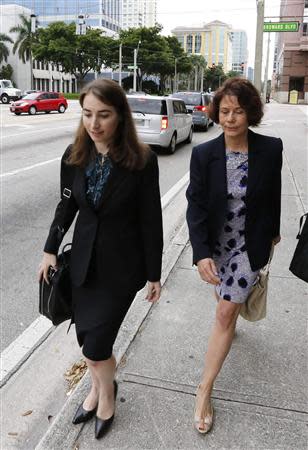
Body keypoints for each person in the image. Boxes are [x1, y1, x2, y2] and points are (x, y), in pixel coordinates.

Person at [38, 79, 163, 440]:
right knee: (86, 339)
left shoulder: (142, 161)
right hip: (83, 266)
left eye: (104, 115)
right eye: (88, 114)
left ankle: (106, 394)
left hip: (121, 271)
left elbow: (150, 220)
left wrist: (153, 274)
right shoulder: (75, 155)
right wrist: (50, 248)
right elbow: (67, 206)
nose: (94, 124)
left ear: (120, 117)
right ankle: (95, 389)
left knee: (96, 348)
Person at [186, 77, 282, 434]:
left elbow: (274, 194)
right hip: (217, 242)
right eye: (224, 111)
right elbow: (195, 205)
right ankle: (228, 317)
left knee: (226, 311)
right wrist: (200, 253)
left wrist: (272, 232)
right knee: (223, 299)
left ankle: (204, 389)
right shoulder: (203, 154)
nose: (230, 119)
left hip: (249, 242)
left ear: (250, 113)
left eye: (238, 111)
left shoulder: (270, 149)